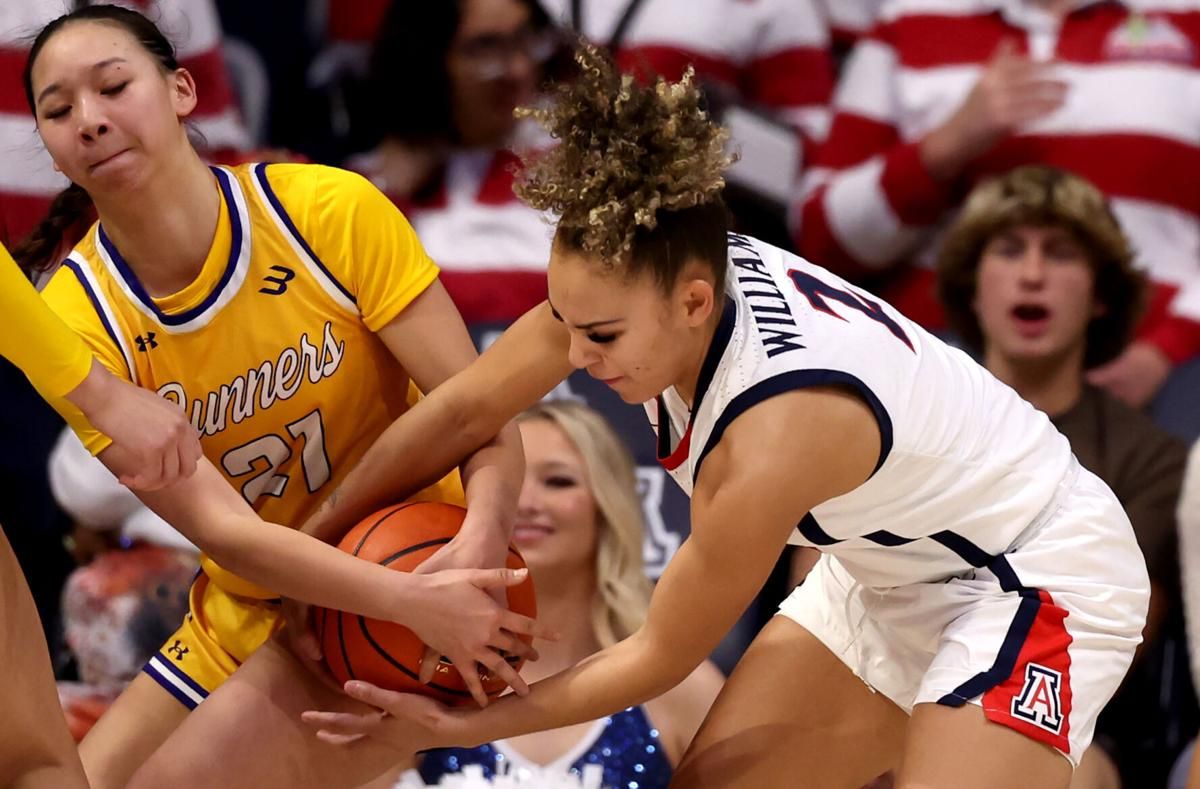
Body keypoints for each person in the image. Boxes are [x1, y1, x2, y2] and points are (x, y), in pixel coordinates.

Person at [286, 46, 1146, 788]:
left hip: (1034, 573)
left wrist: (455, 728)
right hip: (891, 569)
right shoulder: (642, 270)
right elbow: (461, 409)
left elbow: (656, 656)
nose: (577, 359)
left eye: (601, 337)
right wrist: (311, 548)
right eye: (566, 324)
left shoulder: (775, 432)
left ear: (697, 302)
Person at [18, 6, 547, 788]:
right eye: (58, 110)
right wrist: (404, 599)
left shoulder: (326, 210)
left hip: (419, 553)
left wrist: (477, 546)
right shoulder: (71, 319)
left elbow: (481, 417)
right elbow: (232, 538)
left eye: (114, 86)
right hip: (266, 600)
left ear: (183, 91)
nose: (89, 121)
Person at [794, 0, 1200, 408]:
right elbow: (823, 239)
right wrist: (945, 146)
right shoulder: (909, 19)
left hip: (1161, 373)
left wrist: (1168, 348)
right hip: (939, 365)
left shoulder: (1189, 19)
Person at [936, 165, 1192, 787]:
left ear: (1101, 294)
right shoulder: (903, 411)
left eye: (1061, 254)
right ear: (973, 287)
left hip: (1061, 722)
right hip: (876, 685)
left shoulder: (1150, 458)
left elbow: (1108, 651)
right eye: (1008, 249)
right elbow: (817, 582)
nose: (1031, 274)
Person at [408, 401, 723, 787]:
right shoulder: (425, 674)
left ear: (607, 504)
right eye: (508, 485)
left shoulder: (678, 684)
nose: (525, 504)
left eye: (558, 481)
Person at [348, 0, 563, 324]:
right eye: (486, 47)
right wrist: (390, 192)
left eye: (525, 38)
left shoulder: (587, 164)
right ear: (427, 60)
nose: (518, 69)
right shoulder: (363, 190)